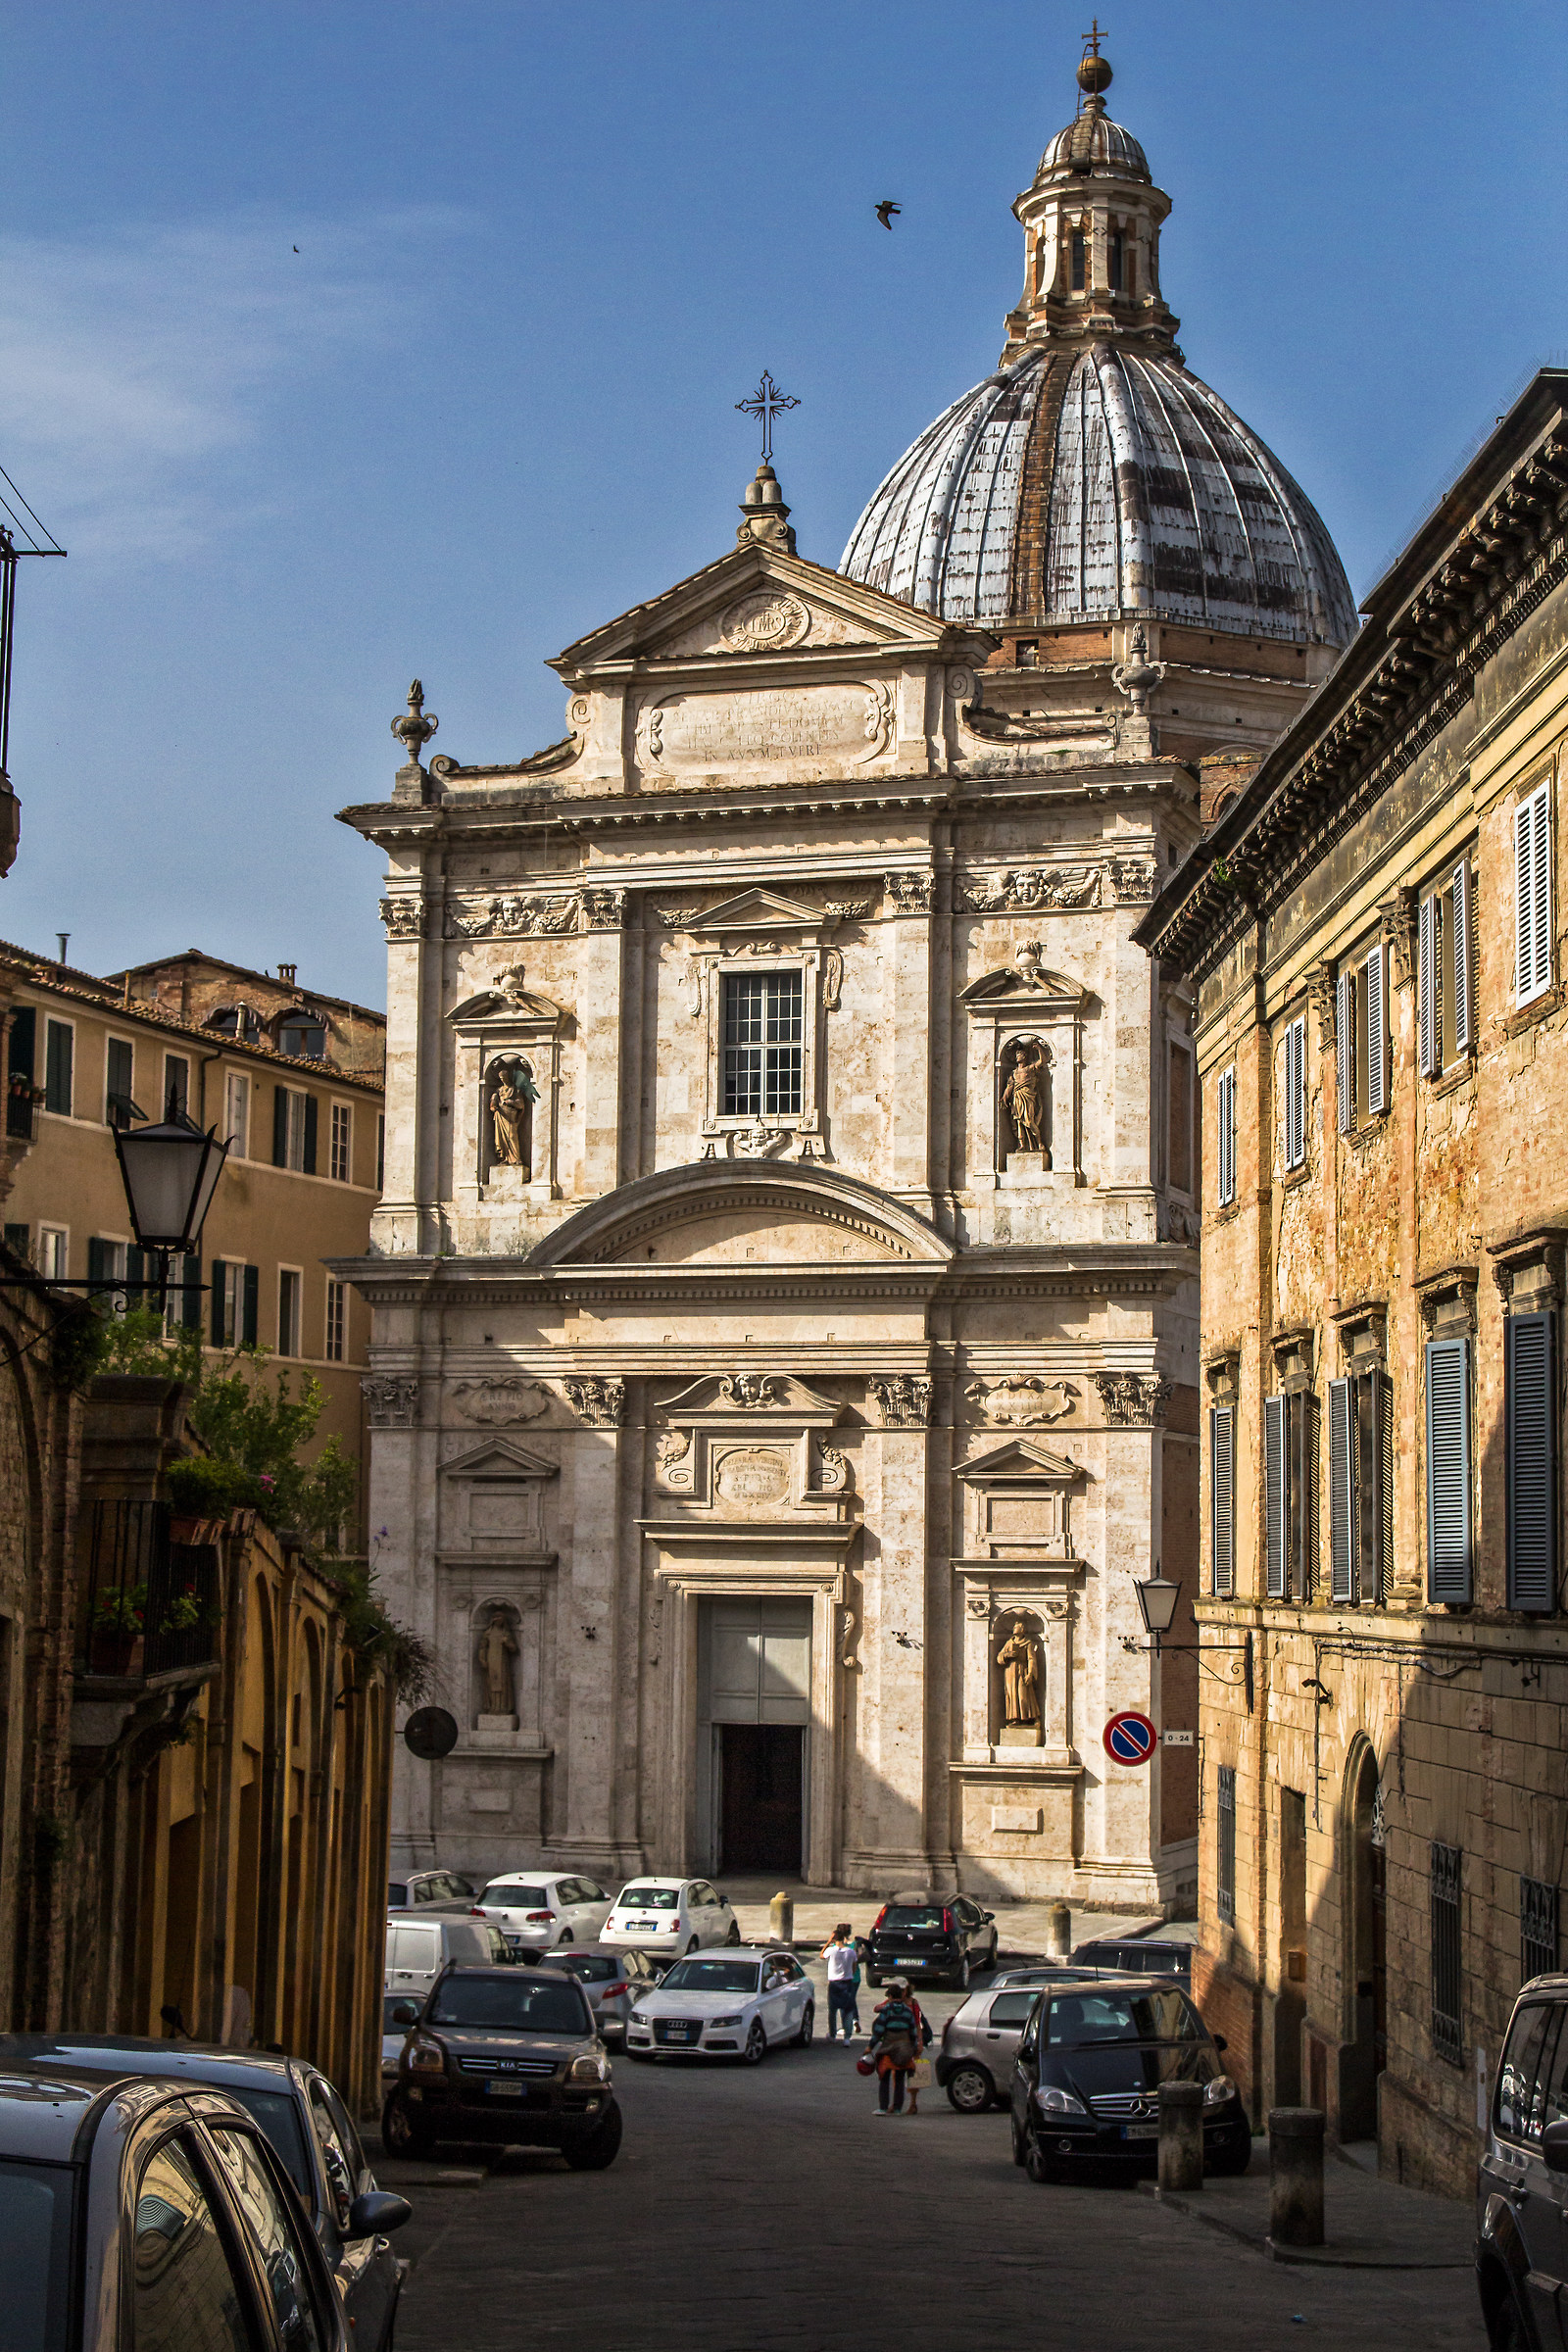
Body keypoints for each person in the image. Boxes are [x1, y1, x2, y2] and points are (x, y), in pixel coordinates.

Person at [867, 1977, 921, 2116]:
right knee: (899, 2077)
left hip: (888, 2048)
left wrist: (870, 2047)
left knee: (884, 2076)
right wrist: (914, 2048)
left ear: (890, 1996)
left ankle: (883, 2107)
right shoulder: (908, 2012)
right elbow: (913, 2032)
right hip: (904, 2049)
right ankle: (897, 2108)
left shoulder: (887, 2010)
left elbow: (879, 2030)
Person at [821, 1923, 860, 2042]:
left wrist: (828, 1942)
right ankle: (847, 2038)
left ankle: (832, 2035)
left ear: (834, 1938)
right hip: (847, 1982)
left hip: (834, 1983)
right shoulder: (850, 1952)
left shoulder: (831, 1951)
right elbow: (854, 1967)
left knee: (832, 2010)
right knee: (847, 2009)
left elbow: (821, 1955)